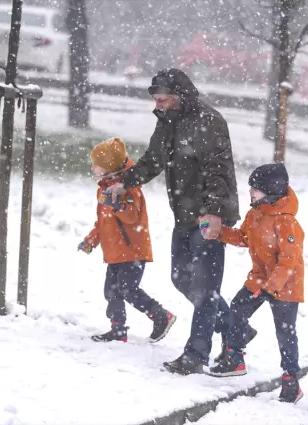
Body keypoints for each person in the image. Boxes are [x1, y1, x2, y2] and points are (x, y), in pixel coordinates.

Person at [106, 68, 251, 375]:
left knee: (206, 287)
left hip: (208, 216)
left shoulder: (209, 122)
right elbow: (154, 160)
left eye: (162, 99)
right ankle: (234, 327)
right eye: (155, 99)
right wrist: (126, 183)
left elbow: (218, 170)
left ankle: (196, 355)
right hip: (184, 213)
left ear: (179, 97)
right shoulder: (168, 121)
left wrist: (213, 213)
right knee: (181, 278)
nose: (156, 105)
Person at [205, 163, 305, 404]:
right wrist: (219, 232)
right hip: (260, 279)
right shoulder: (256, 214)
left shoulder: (287, 223)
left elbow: (289, 261)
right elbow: (243, 238)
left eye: (256, 189)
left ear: (271, 191)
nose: (250, 191)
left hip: (285, 285)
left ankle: (291, 380)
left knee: (285, 332)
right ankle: (234, 357)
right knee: (238, 308)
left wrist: (272, 288)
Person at [79, 137, 176, 343]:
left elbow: (132, 217)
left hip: (132, 250)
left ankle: (161, 315)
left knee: (128, 290)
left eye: (97, 164)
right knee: (111, 291)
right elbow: (103, 223)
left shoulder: (129, 189)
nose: (93, 167)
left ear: (109, 167)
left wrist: (117, 206)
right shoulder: (104, 189)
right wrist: (91, 240)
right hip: (115, 251)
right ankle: (118, 329)